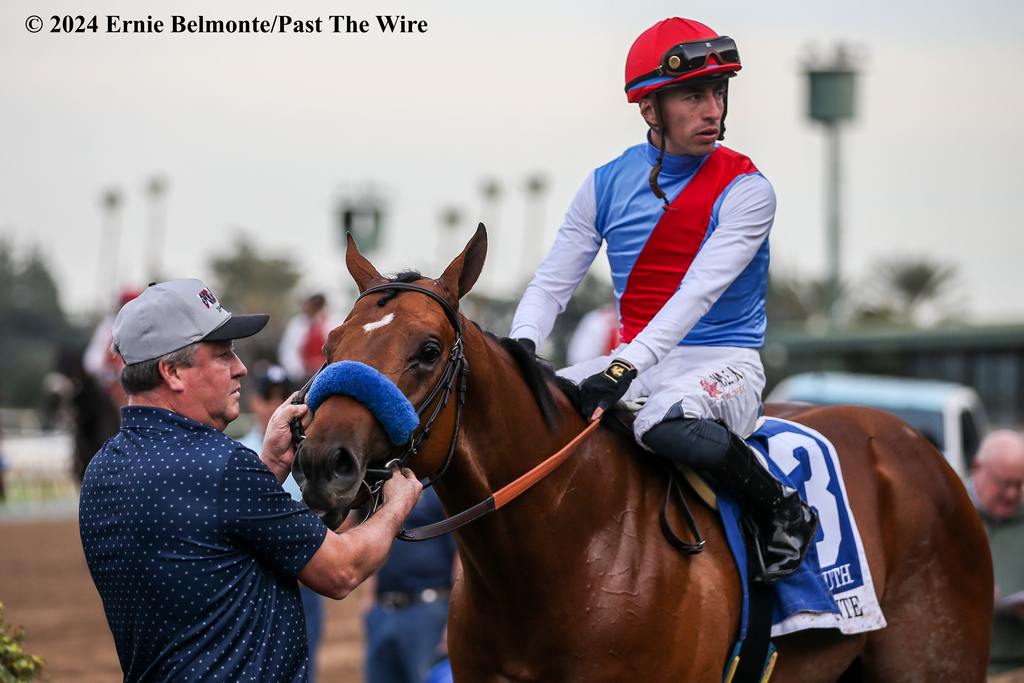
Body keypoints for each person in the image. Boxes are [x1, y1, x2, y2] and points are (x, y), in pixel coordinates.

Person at [509, 17, 816, 582]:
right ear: (650, 109)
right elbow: (554, 279)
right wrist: (520, 349)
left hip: (724, 364)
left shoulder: (748, 189)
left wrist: (627, 363)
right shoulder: (604, 184)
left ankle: (783, 508)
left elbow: (696, 293)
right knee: (529, 412)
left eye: (718, 93)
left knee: (660, 423)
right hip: (642, 361)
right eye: (693, 96)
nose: (713, 110)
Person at [79, 278, 422, 682]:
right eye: (223, 355)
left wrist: (269, 465)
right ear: (171, 372)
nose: (240, 368)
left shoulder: (102, 470)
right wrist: (396, 503)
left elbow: (206, 545)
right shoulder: (225, 468)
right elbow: (341, 570)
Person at [237, 364, 326, 682]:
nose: (275, 405)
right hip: (252, 590)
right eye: (268, 397)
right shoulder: (237, 455)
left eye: (282, 397)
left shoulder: (314, 456)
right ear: (255, 403)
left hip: (303, 584)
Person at [361, 486, 458, 683]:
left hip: (427, 609)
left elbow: (461, 552)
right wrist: (369, 602)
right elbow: (371, 541)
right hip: (383, 609)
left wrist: (454, 618)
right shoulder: (379, 487)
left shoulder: (437, 489)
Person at [968, 430, 1024, 677]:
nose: (1012, 494)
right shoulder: (946, 511)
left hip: (1016, 666)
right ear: (977, 468)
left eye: (1020, 484)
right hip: (957, 665)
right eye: (1004, 483)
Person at [279, 293, 337, 385]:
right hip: (303, 377)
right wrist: (298, 371)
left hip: (327, 374)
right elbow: (289, 351)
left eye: (317, 305)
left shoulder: (332, 323)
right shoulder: (297, 324)